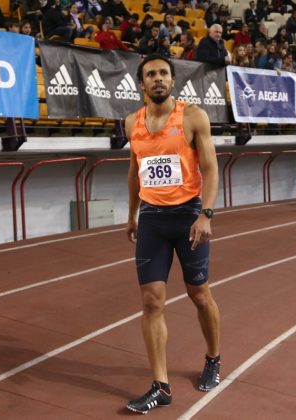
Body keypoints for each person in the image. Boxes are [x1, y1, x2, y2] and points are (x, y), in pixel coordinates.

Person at [124, 54, 221, 415]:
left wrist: (205, 215)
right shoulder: (131, 122)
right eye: (151, 74)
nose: (158, 78)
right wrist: (132, 214)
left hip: (188, 216)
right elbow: (134, 170)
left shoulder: (193, 117)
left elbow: (211, 169)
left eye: (164, 73)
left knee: (199, 294)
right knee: (151, 302)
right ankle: (160, 387)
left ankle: (213, 358)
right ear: (142, 83)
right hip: (152, 218)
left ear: (173, 80)